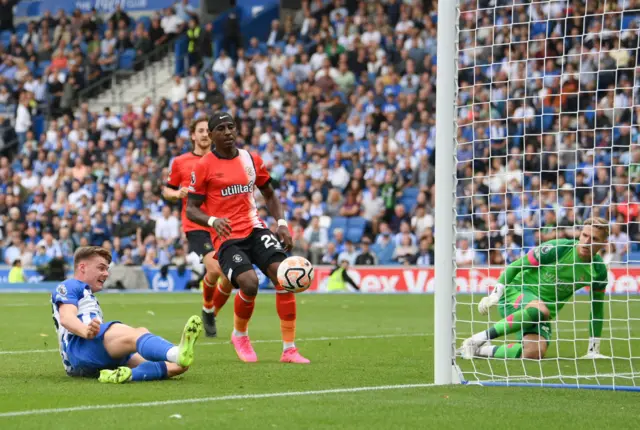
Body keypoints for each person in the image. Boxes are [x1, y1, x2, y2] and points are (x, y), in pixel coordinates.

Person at [186, 112, 309, 364]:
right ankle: (239, 335)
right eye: (221, 128)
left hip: (255, 228)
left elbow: (270, 194)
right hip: (227, 237)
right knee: (249, 283)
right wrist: (212, 221)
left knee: (284, 277)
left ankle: (289, 349)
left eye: (231, 126)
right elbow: (191, 208)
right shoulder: (204, 166)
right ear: (211, 136)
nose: (228, 132)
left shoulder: (250, 159)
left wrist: (282, 224)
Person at [460, 217, 610, 360]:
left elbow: (597, 309)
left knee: (534, 352)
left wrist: (593, 349)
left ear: (604, 243)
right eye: (584, 235)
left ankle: (481, 350)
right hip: (515, 293)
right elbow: (515, 266)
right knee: (540, 309)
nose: (586, 242)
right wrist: (495, 294)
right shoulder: (559, 248)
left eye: (594, 239)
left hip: (539, 313)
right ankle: (477, 339)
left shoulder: (598, 271)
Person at [51, 246, 203, 383]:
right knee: (139, 333)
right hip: (82, 346)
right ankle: (177, 351)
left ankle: (125, 375)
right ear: (82, 267)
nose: (106, 274)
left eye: (107, 269)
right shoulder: (70, 285)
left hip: (86, 361)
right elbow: (66, 317)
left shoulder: (87, 295)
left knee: (178, 366)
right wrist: (86, 331)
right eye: (101, 268)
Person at [163, 116, 232, 338]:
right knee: (216, 269)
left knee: (229, 278)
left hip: (221, 225)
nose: (204, 134)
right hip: (195, 224)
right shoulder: (180, 162)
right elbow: (167, 190)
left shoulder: (221, 160)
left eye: (207, 131)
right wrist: (177, 193)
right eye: (200, 130)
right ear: (193, 135)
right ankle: (209, 309)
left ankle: (208, 309)